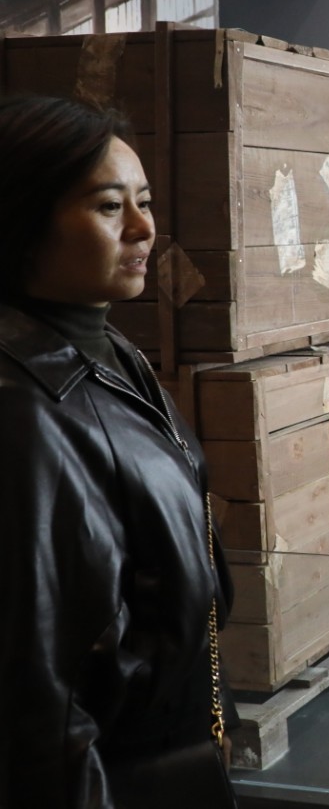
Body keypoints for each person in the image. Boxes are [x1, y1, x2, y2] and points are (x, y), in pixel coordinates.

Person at [0, 95, 235, 807]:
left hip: (174, 743)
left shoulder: (109, 349)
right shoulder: (21, 407)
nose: (143, 228)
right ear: (23, 219)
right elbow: (39, 693)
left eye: (145, 201)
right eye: (109, 207)